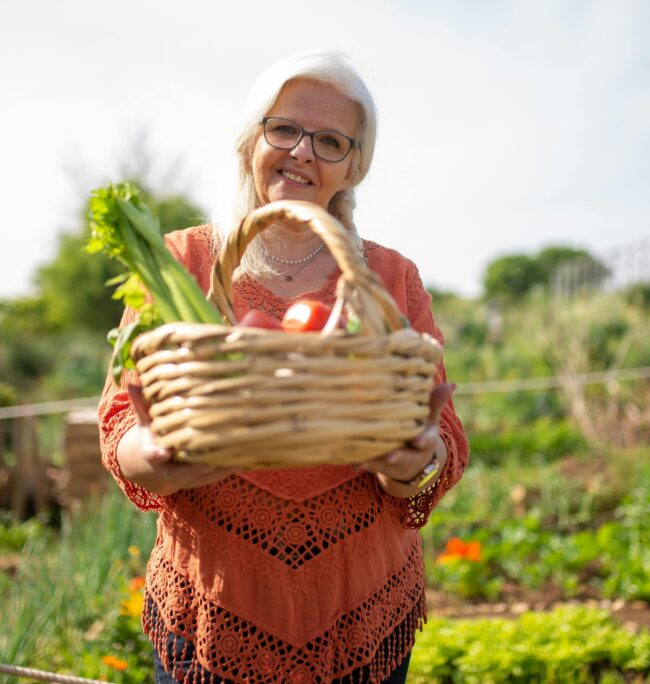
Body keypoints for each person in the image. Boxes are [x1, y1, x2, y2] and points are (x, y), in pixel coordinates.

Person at [98, 50, 468, 684]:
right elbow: (117, 420)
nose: (302, 152)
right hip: (211, 603)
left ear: (355, 164)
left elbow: (445, 442)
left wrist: (412, 468)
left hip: (361, 607)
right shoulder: (178, 262)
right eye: (286, 129)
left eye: (330, 141)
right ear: (252, 139)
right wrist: (152, 454)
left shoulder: (390, 277)